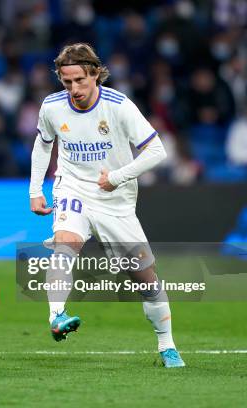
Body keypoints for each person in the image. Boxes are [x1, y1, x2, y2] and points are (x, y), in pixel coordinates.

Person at [29, 43, 184, 368]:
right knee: (65, 244)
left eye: (80, 81)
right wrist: (35, 189)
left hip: (115, 199)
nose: (73, 89)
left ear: (95, 74)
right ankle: (57, 316)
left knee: (144, 277)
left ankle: (166, 344)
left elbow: (157, 151)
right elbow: (43, 145)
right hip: (72, 186)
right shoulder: (52, 107)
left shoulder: (119, 106)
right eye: (66, 81)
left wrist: (117, 177)